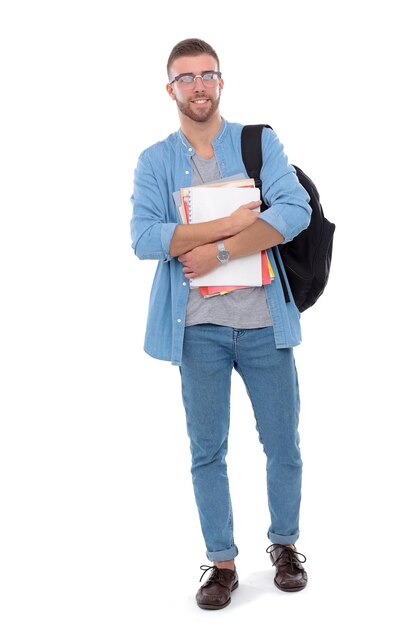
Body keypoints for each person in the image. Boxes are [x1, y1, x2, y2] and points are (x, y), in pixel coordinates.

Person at [130, 38, 311, 610]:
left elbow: (294, 212)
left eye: (207, 74)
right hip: (198, 331)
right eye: (186, 78)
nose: (198, 85)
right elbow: (144, 237)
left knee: (283, 445)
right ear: (171, 89)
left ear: (221, 82)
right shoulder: (156, 161)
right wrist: (234, 222)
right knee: (207, 450)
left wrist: (219, 250)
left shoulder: (258, 143)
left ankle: (284, 546)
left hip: (263, 325)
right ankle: (223, 563)